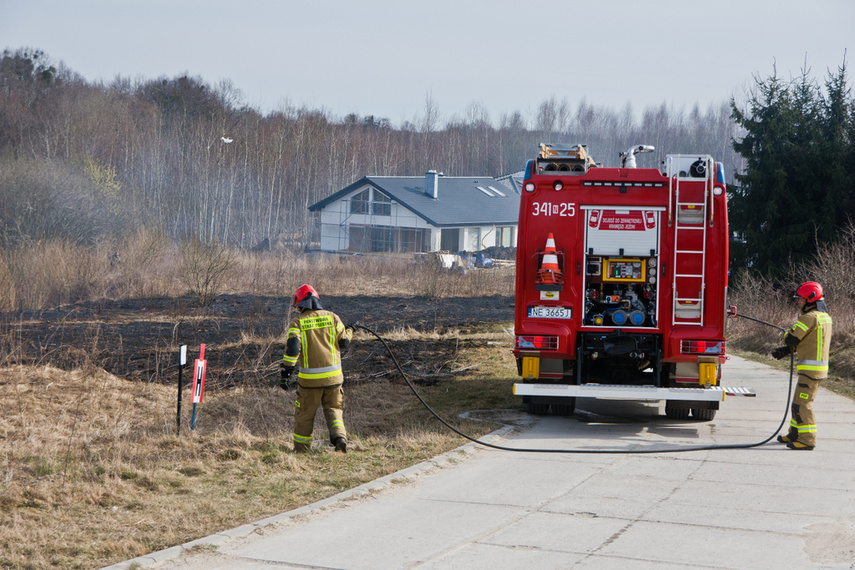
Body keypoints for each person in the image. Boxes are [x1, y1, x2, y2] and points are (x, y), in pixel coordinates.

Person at [281, 284, 353, 453]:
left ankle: (302, 449)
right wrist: (351, 330)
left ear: (299, 305)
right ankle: (339, 438)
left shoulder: (297, 322)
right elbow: (344, 342)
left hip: (309, 382)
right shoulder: (333, 317)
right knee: (334, 409)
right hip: (334, 379)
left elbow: (293, 348)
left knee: (305, 415)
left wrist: (286, 372)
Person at [771, 281, 832, 450]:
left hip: (810, 371)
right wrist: (786, 351)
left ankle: (807, 440)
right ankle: (794, 433)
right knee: (797, 403)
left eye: (801, 299)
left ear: (810, 299)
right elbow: (809, 341)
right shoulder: (824, 317)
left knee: (803, 405)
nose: (799, 302)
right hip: (815, 370)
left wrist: (786, 336)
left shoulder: (808, 317)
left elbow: (791, 338)